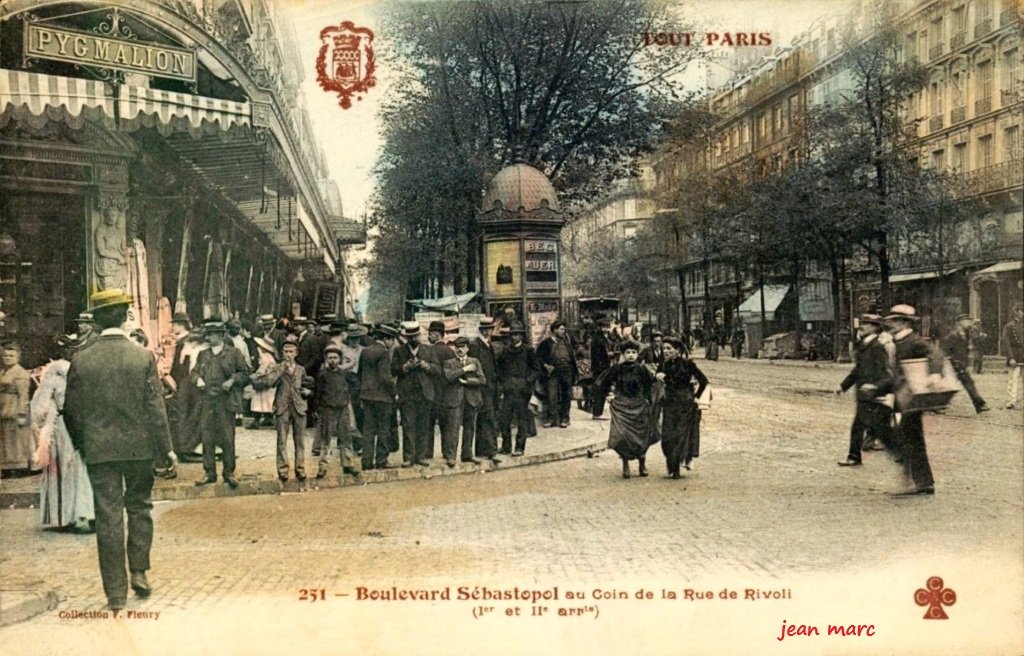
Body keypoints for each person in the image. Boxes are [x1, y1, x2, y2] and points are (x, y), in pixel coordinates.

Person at [63, 288, 176, 611]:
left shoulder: (82, 360)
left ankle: (115, 593)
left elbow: (71, 411)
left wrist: (83, 445)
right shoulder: (141, 357)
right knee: (140, 507)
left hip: (100, 451)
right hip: (139, 449)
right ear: (126, 316)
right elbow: (155, 408)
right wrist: (165, 448)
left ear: (96, 320)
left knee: (109, 516)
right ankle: (139, 571)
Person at [877, 304, 943, 496]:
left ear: (905, 322)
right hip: (901, 397)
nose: (891, 324)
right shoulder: (896, 342)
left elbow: (936, 355)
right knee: (908, 438)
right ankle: (921, 481)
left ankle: (919, 482)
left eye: (895, 320)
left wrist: (935, 374)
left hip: (912, 399)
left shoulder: (915, 341)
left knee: (911, 439)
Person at [34, 334, 94, 531]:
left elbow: (39, 408)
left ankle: (64, 516)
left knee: (61, 468)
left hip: (61, 425)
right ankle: (85, 512)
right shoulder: (84, 370)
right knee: (81, 468)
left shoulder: (52, 374)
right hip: (84, 422)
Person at [191, 318, 250, 489]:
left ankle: (228, 473)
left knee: (227, 437)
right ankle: (209, 473)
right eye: (208, 334)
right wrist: (198, 380)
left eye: (213, 334)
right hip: (208, 400)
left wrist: (232, 380)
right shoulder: (204, 354)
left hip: (226, 401)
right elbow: (194, 373)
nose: (210, 338)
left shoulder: (233, 353)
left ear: (222, 335)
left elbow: (245, 372)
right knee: (207, 436)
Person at [835, 314, 897, 467]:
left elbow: (884, 371)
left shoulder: (877, 347)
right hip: (865, 394)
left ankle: (904, 454)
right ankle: (854, 456)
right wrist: (843, 386)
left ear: (875, 327)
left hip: (872, 394)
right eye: (862, 323)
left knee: (878, 429)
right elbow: (858, 370)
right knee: (866, 427)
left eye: (867, 324)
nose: (862, 326)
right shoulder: (864, 345)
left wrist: (875, 388)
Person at [598, 340, 657, 479]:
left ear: (637, 354)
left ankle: (642, 463)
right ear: (623, 354)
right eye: (628, 352)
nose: (631, 355)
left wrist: (649, 401)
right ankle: (625, 464)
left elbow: (649, 386)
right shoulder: (617, 369)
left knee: (641, 435)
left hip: (639, 405)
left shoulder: (642, 369)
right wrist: (609, 395)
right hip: (622, 406)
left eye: (634, 352)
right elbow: (602, 382)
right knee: (623, 436)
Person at [391, 321, 442, 467]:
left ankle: (421, 456)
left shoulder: (429, 350)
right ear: (406, 338)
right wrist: (404, 367)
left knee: (423, 426)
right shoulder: (399, 351)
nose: (413, 339)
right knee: (408, 426)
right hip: (407, 394)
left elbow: (438, 370)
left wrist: (427, 366)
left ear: (419, 335)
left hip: (425, 394)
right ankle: (408, 458)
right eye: (410, 337)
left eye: (415, 336)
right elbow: (393, 369)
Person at [657, 338, 708, 479]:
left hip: (685, 403)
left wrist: (696, 397)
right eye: (664, 348)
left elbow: (703, 381)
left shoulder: (688, 364)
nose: (665, 351)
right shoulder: (663, 365)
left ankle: (676, 468)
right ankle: (672, 463)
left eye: (669, 348)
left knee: (680, 435)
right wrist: (657, 377)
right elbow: (656, 385)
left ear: (677, 350)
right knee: (667, 435)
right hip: (669, 404)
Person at [266, 337, 312, 485]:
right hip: (282, 406)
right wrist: (281, 370)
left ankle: (300, 468)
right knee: (282, 441)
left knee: (300, 441)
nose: (288, 355)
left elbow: (306, 386)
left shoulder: (301, 369)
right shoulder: (277, 368)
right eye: (285, 352)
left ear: (296, 353)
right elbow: (270, 382)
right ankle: (283, 470)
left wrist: (307, 392)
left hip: (299, 406)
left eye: (291, 351)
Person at [441, 336, 487, 467]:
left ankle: (467, 455)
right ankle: (451, 456)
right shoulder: (449, 363)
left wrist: (468, 382)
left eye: (462, 347)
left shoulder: (475, 362)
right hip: (455, 399)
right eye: (457, 347)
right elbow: (449, 377)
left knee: (469, 428)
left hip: (472, 399)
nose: (459, 349)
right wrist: (465, 370)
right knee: (453, 428)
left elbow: (482, 380)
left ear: (467, 348)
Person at [495, 322, 538, 456]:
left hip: (522, 391)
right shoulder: (506, 351)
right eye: (513, 335)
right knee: (504, 420)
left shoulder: (529, 350)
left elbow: (536, 370)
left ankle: (520, 447)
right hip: (508, 391)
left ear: (522, 336)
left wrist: (527, 382)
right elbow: (499, 369)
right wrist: (504, 382)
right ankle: (506, 446)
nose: (515, 337)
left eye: (517, 334)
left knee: (522, 420)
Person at [358, 325, 397, 470]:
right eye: (392, 340)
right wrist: (394, 392)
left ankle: (366, 462)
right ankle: (381, 460)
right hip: (382, 398)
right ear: (387, 339)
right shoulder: (384, 353)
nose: (392, 343)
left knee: (368, 430)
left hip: (367, 396)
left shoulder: (365, 351)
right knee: (383, 429)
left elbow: (360, 374)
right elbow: (385, 378)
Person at [315, 344, 356, 479]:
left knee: (346, 438)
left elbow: (354, 385)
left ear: (340, 359)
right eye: (330, 358)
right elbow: (317, 394)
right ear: (326, 359)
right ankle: (323, 467)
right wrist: (318, 409)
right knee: (326, 439)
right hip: (328, 410)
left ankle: (347, 464)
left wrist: (346, 397)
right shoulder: (322, 375)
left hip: (343, 409)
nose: (332, 360)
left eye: (335, 358)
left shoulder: (344, 374)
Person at [468, 317, 501, 463]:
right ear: (481, 330)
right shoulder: (475, 345)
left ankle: (482, 449)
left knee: (484, 418)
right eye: (485, 329)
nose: (488, 331)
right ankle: (491, 451)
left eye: (490, 329)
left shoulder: (489, 345)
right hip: (482, 387)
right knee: (488, 418)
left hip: (490, 387)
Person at [942, 314, 990, 413]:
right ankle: (979, 404)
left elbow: (966, 348)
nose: (968, 323)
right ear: (959, 323)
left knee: (967, 383)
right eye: (966, 321)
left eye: (969, 321)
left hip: (961, 364)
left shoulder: (966, 334)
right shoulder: (953, 335)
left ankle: (980, 405)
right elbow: (945, 350)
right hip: (953, 364)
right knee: (952, 385)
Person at [537, 321, 577, 428]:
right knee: (552, 395)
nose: (563, 331)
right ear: (554, 330)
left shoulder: (566, 342)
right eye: (561, 329)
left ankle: (565, 418)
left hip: (566, 371)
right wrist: (546, 366)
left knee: (566, 395)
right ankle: (552, 419)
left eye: (564, 329)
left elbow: (572, 356)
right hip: (553, 373)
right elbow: (539, 357)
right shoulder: (546, 343)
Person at [0, 341, 32, 474]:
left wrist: (22, 414)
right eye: (5, 356)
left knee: (17, 439)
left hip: (14, 408)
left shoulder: (20, 373)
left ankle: (19, 467)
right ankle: (8, 466)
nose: (7, 358)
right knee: (6, 440)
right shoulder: (3, 371)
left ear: (18, 357)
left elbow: (24, 396)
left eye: (11, 356)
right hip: (4, 408)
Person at [425, 320, 454, 459]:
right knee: (446, 425)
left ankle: (427, 452)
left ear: (437, 335)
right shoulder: (450, 351)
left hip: (431, 393)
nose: (428, 337)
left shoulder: (429, 351)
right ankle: (447, 453)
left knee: (428, 424)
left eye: (430, 334)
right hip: (446, 393)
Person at [1001, 303, 1024, 410]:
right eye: (1021, 311)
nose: (1022, 313)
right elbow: (1006, 342)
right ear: (1016, 312)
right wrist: (1011, 357)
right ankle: (1011, 401)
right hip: (1015, 355)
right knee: (1013, 379)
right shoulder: (1009, 326)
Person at [589, 320, 613, 420]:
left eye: (607, 327)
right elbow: (599, 355)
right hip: (600, 368)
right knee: (600, 390)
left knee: (601, 390)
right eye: (603, 327)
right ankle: (597, 413)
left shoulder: (602, 338)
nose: (605, 329)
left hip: (602, 367)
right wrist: (608, 355)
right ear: (599, 327)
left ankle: (598, 413)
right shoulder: (598, 339)